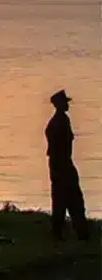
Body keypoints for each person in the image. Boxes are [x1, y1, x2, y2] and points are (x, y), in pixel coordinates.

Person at [44, 89, 89, 241]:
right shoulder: (60, 122)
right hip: (62, 166)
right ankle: (79, 233)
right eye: (65, 102)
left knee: (62, 201)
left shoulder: (58, 121)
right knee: (72, 200)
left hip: (59, 166)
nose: (68, 105)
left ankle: (62, 234)